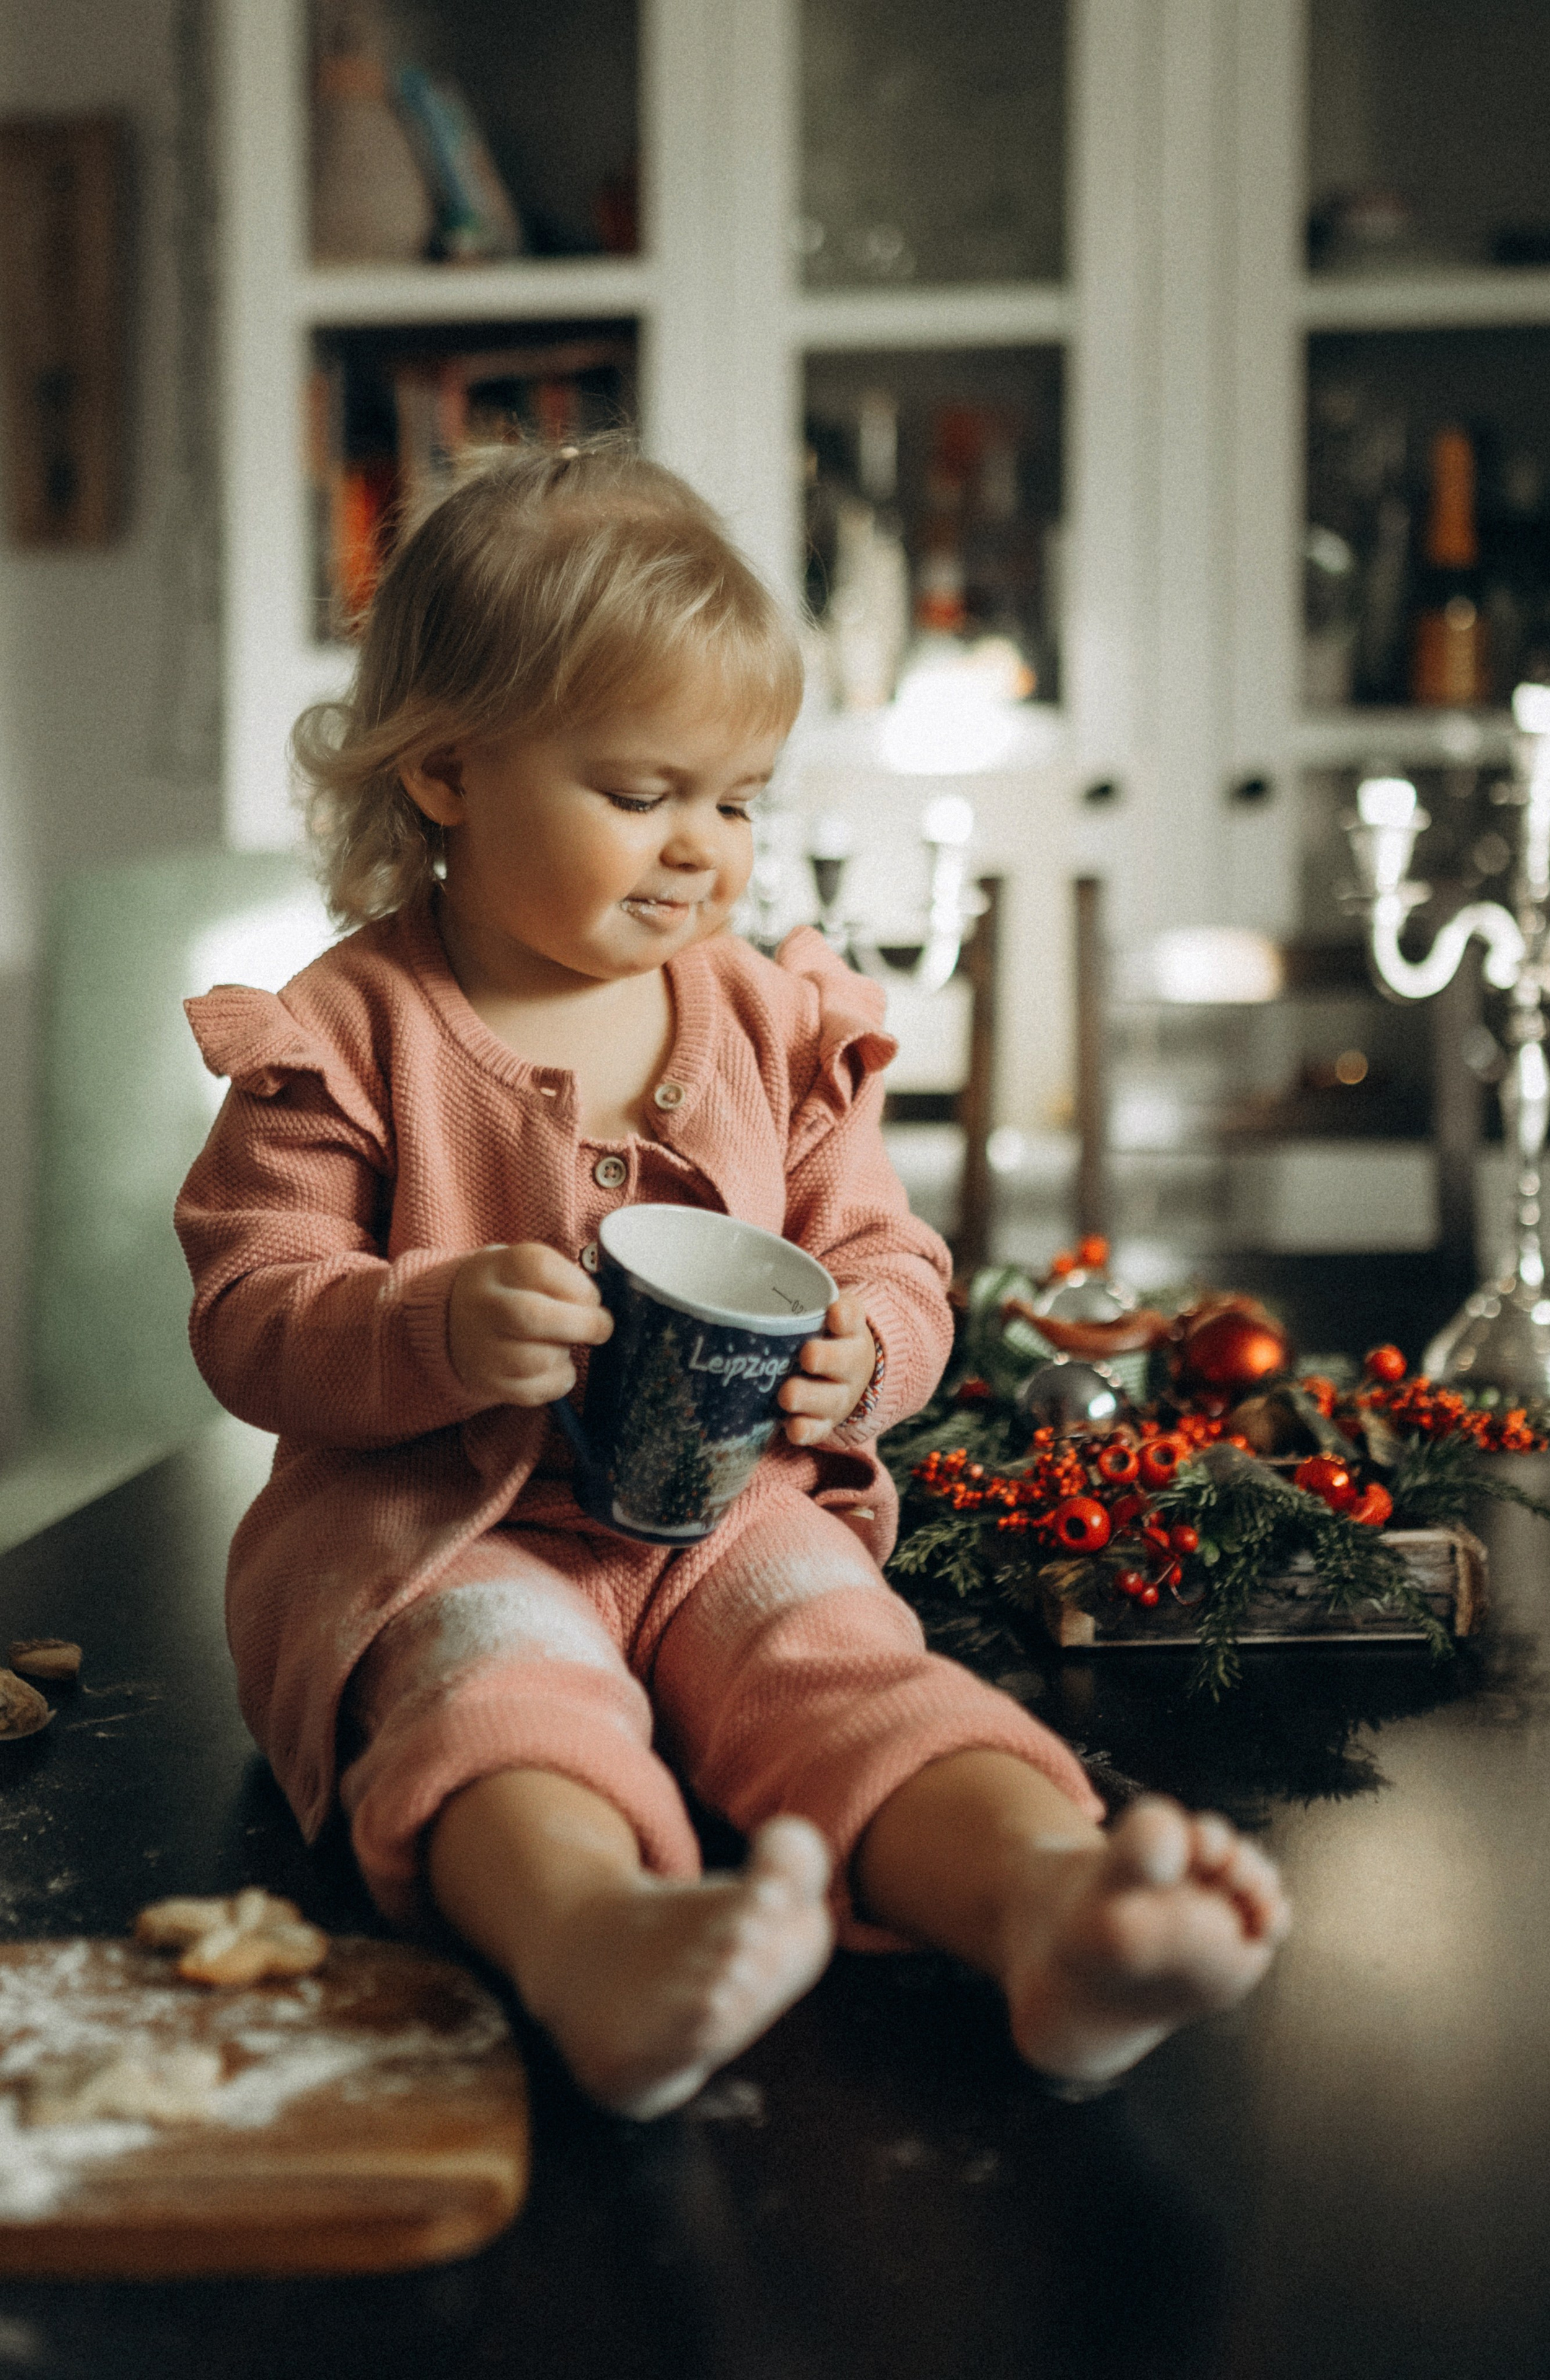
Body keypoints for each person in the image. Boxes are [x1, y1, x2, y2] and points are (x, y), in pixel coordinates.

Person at [177, 440, 1288, 2121]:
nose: (703, 850)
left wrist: (875, 1352)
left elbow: (887, 1256)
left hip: (735, 1511)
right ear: (450, 774)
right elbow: (254, 1303)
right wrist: (429, 1322)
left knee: (853, 1666)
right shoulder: (349, 1033)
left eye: (738, 800)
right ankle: (594, 1940)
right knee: (496, 1704)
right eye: (640, 794)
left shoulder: (770, 1018)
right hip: (447, 1531)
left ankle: (1050, 1907)